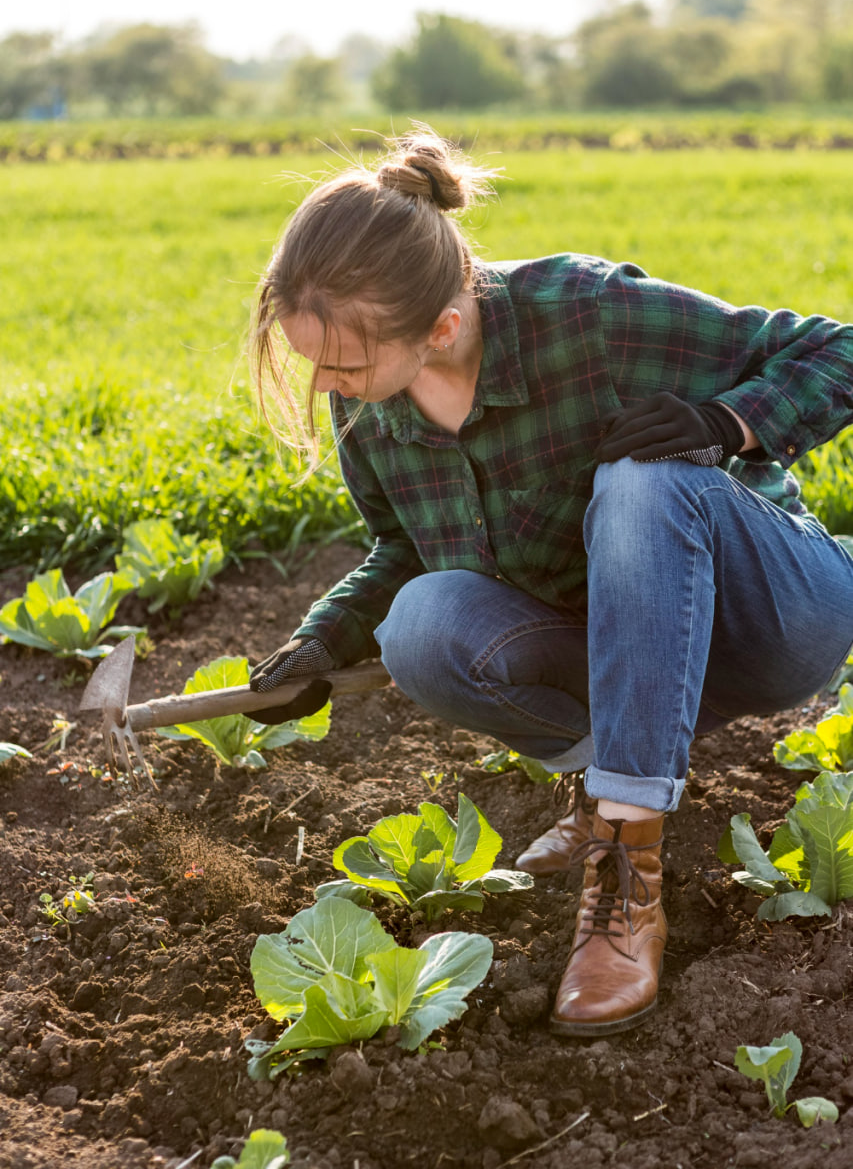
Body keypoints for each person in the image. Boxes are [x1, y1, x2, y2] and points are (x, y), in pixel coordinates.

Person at [246, 126, 853, 1038]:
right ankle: (611, 787)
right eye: (315, 362)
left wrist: (725, 422)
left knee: (642, 482)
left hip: (772, 620)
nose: (327, 382)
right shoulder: (368, 405)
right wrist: (320, 641)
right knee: (420, 623)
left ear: (442, 328)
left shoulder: (586, 314)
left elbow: (834, 351)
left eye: (344, 364)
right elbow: (404, 550)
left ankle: (623, 879)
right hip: (628, 654)